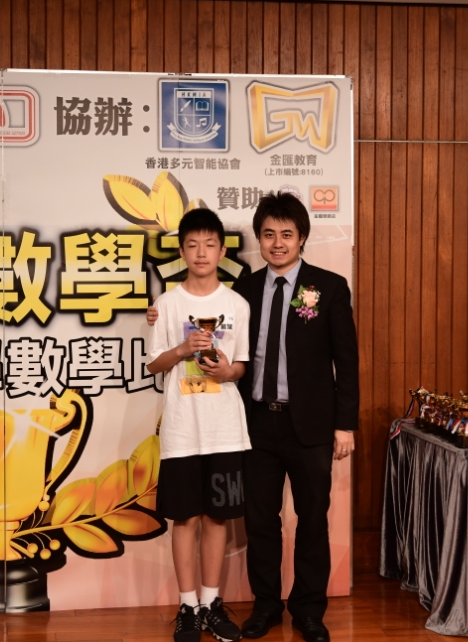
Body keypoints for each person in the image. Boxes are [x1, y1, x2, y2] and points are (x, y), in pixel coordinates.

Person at [149, 193, 359, 642]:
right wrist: (157, 313)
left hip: (311, 426)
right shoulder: (243, 291)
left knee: (312, 519)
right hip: (256, 423)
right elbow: (197, 310)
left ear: (302, 238)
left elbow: (346, 360)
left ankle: (309, 610)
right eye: (268, 235)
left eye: (287, 234)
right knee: (261, 521)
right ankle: (266, 607)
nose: (277, 243)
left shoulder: (329, 287)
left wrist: (345, 425)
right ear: (259, 240)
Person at [147, 207, 252, 642]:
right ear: (182, 251)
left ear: (222, 251)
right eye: (193, 245)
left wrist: (226, 371)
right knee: (185, 519)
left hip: (224, 429)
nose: (201, 252)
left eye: (210, 244)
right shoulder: (166, 304)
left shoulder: (237, 305)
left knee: (216, 519)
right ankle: (187, 606)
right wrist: (181, 349)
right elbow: (154, 365)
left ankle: (211, 603)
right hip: (181, 431)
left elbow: (241, 367)